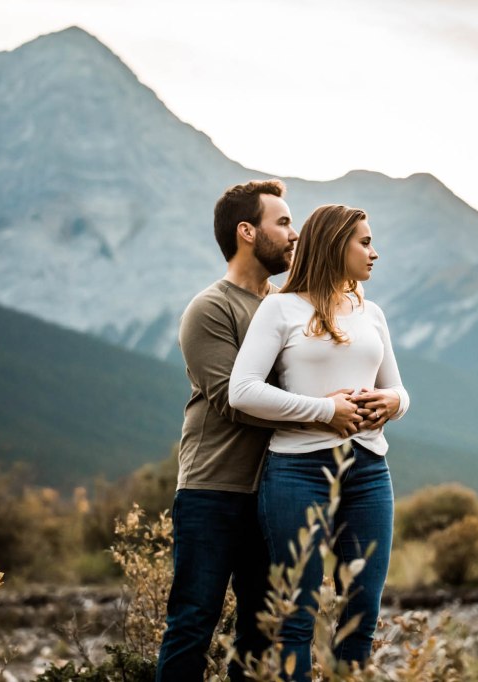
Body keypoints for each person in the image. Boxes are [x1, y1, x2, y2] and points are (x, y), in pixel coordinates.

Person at [156, 180, 364, 681]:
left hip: (277, 492)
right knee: (193, 622)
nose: (295, 235)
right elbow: (233, 402)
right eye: (284, 222)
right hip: (214, 490)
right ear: (247, 232)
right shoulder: (211, 308)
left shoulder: (288, 306)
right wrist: (324, 411)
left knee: (261, 629)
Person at [229, 204, 409, 680]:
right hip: (297, 471)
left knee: (362, 612)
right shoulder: (280, 308)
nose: (374, 253)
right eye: (364, 242)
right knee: (297, 613)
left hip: (369, 470)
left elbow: (398, 389)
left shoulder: (371, 313)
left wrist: (393, 402)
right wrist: (326, 411)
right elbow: (242, 390)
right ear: (334, 245)